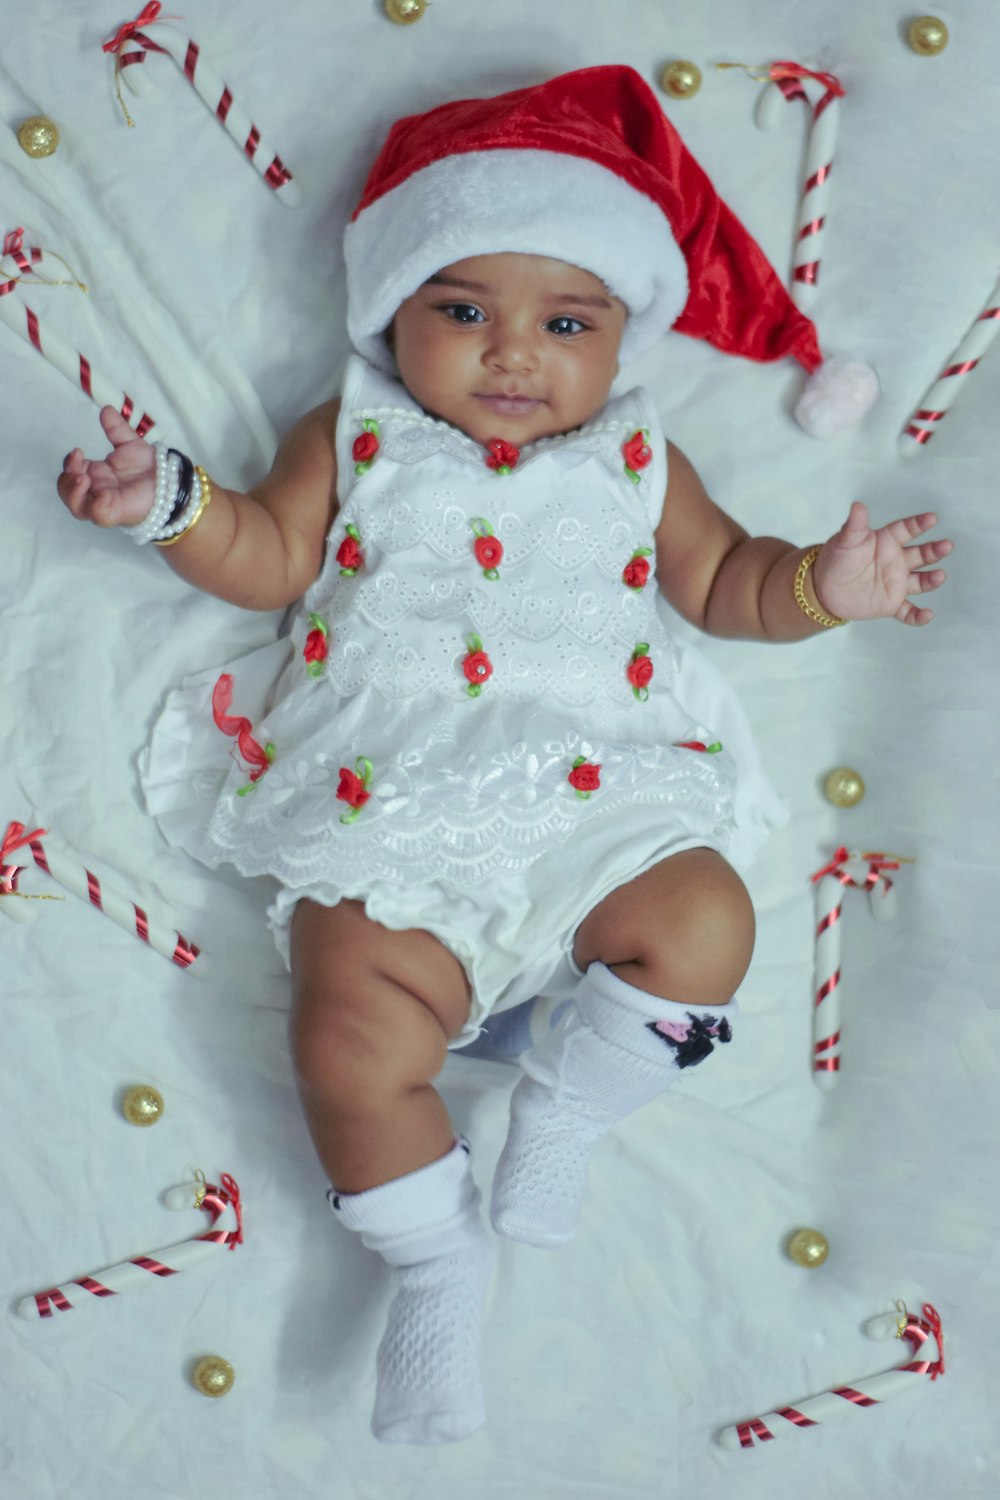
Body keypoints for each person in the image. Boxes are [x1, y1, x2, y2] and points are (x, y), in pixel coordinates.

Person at [55, 66, 951, 1447]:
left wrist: (828, 584)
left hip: (598, 803)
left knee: (709, 917)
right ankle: (434, 1265)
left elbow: (724, 586)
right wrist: (171, 505)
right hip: (386, 808)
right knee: (346, 1039)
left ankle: (571, 1104)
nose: (513, 353)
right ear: (393, 317)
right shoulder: (354, 432)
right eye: (462, 311)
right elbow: (270, 557)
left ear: (620, 339)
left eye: (566, 320)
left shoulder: (640, 455)